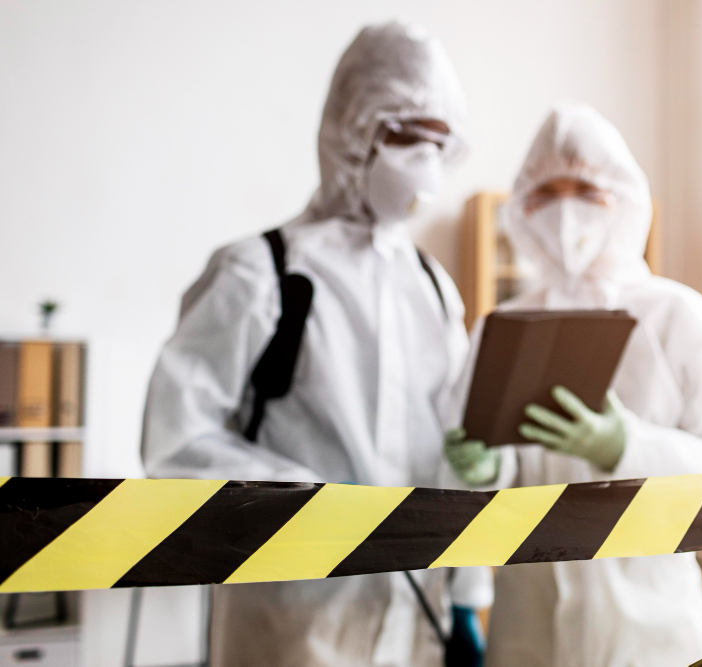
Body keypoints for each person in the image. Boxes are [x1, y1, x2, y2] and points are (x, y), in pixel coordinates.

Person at [142, 22, 489, 667]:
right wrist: (311, 502)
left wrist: (468, 595)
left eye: (439, 143)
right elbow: (176, 441)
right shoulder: (261, 272)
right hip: (292, 617)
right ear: (351, 131)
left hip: (417, 616)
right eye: (406, 136)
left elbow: (451, 446)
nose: (425, 161)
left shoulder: (432, 286)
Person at [443, 103, 702, 667]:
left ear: (625, 200)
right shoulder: (502, 326)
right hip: (528, 630)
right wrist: (482, 469)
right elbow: (474, 487)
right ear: (523, 207)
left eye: (587, 191)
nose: (566, 211)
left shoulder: (677, 316)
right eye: (547, 192)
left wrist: (627, 447)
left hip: (653, 631)